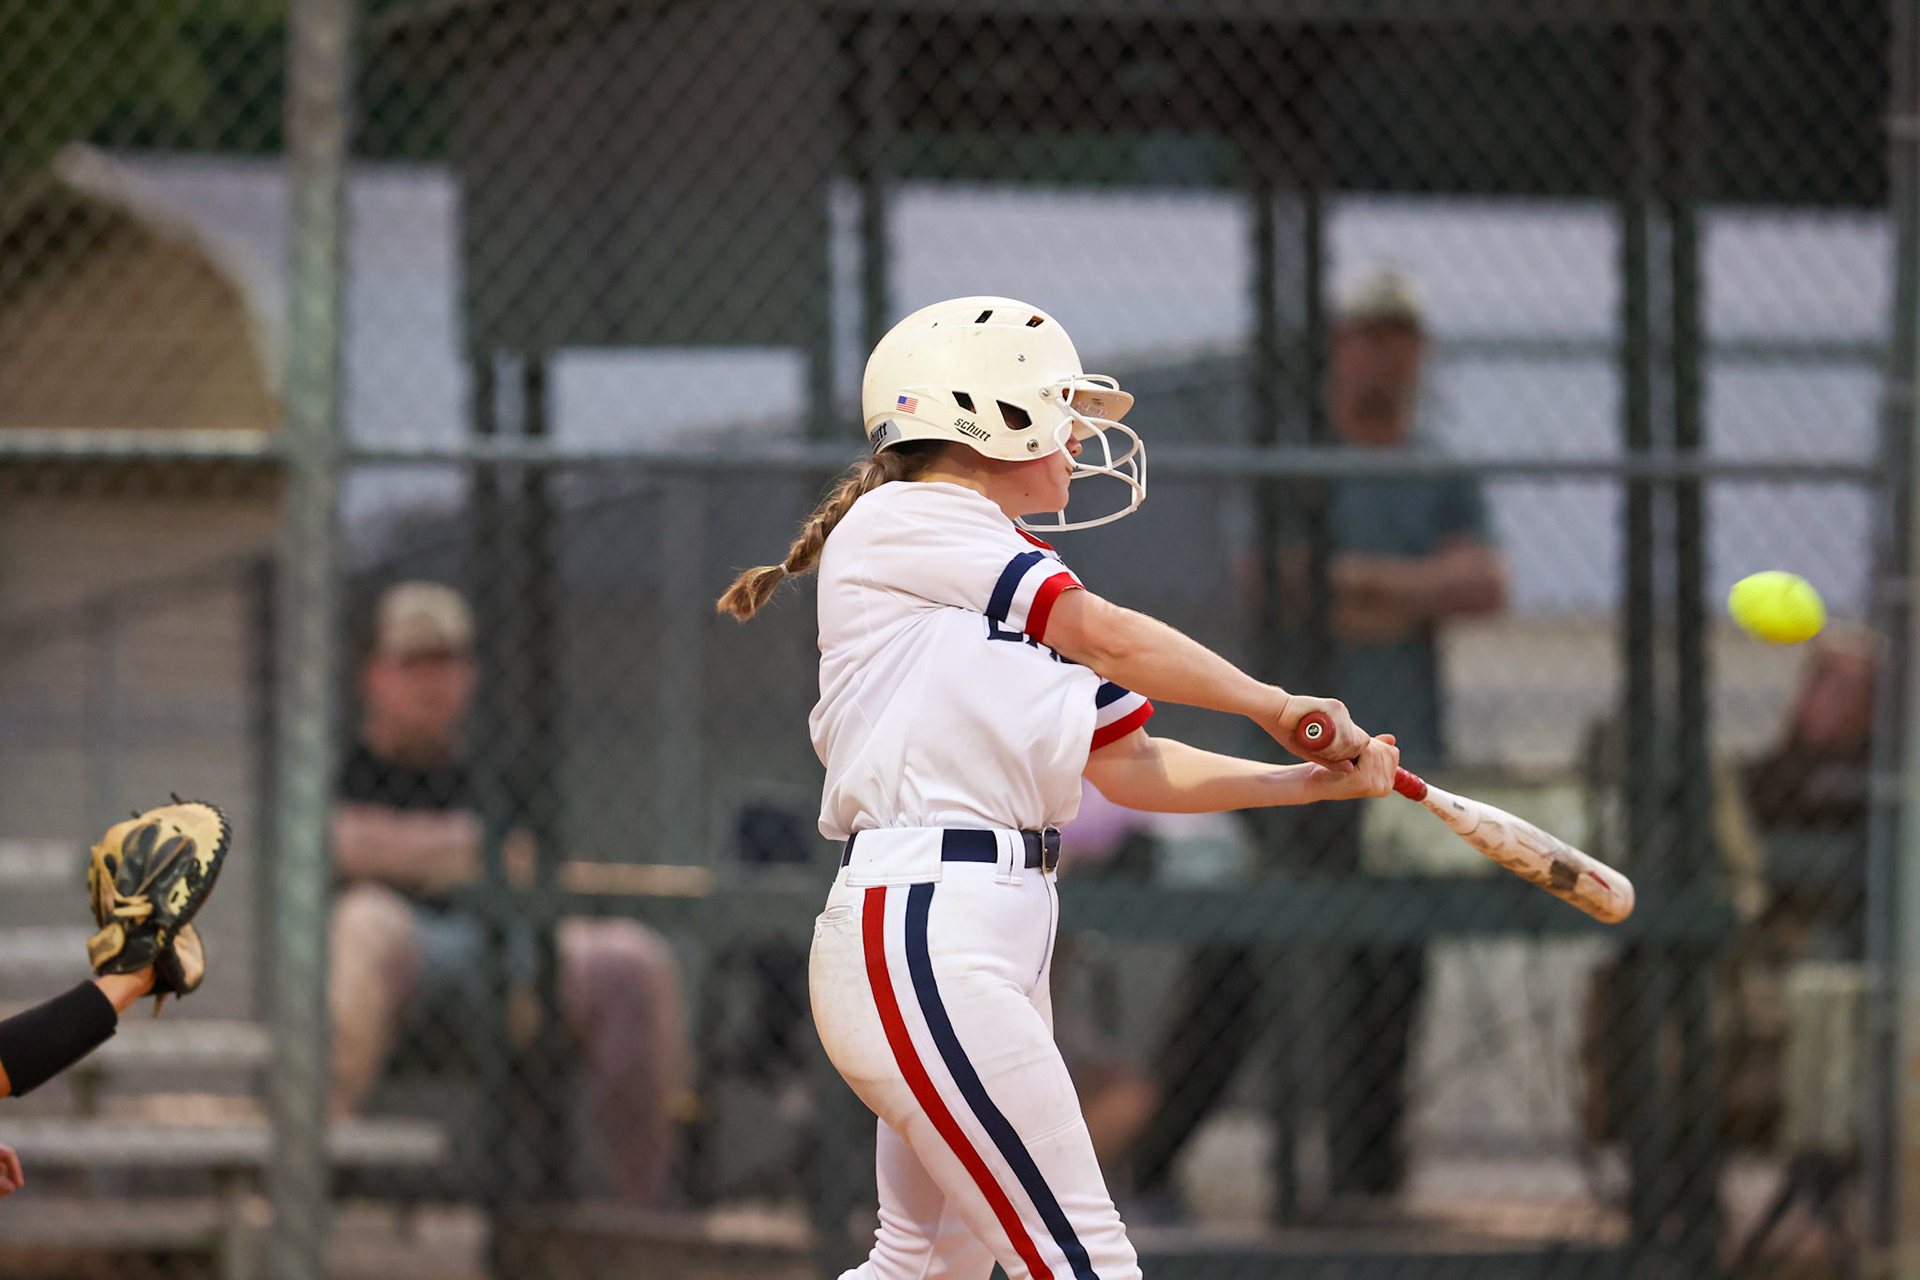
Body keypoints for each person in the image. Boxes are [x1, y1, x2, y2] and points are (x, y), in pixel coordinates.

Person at [718, 296, 1398, 1279]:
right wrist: (1272, 700)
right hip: (925, 922)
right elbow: (1107, 632)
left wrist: (1302, 783)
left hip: (976, 932)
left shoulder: (998, 577)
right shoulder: (910, 517)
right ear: (983, 415)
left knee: (923, 1266)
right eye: (1056, 408)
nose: (1080, 436)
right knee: (1083, 1260)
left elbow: (1127, 761)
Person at [1134, 266, 1508, 1208]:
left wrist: (1365, 588)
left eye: (1399, 338)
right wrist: (1406, 588)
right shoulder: (1297, 460)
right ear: (1338, 348)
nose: (1382, 354)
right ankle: (1153, 1162)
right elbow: (1276, 576)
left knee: (1391, 971)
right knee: (1247, 958)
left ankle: (1366, 1185)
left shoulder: (1440, 471)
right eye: (1366, 335)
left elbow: (1483, 585)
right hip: (1290, 763)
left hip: (1402, 763)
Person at [328, 580, 689, 1207]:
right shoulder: (338, 765)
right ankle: (309, 1176)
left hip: (506, 953)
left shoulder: (497, 767)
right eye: (414, 663)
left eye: (448, 662)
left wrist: (412, 850)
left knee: (631, 959)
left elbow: (529, 868)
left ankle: (647, 1212)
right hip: (404, 961)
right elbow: (343, 847)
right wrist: (461, 850)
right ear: (373, 676)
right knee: (366, 920)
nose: (432, 682)